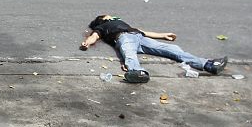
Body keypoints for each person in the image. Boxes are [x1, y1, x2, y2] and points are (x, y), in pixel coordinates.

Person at [81, 14, 228, 83]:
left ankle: (208, 65)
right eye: (109, 15)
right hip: (123, 38)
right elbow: (95, 36)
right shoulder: (104, 26)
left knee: (172, 49)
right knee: (129, 54)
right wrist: (87, 42)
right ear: (104, 18)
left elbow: (143, 32)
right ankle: (136, 72)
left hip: (139, 37)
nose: (113, 15)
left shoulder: (123, 23)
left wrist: (163, 36)